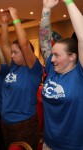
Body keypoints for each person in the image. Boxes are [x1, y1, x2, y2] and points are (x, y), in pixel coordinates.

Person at [39, 0, 83, 149]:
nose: (52, 59)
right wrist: (46, 9)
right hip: (48, 143)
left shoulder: (79, 75)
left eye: (57, 55)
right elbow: (44, 41)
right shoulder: (52, 68)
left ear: (72, 57)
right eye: (52, 55)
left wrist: (69, 2)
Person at [1, 7, 43, 150]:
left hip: (24, 123)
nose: (11, 55)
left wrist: (15, 17)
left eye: (15, 52)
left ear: (26, 53)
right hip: (6, 121)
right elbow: (4, 46)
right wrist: (4, 24)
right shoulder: (14, 66)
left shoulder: (34, 70)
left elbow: (24, 45)